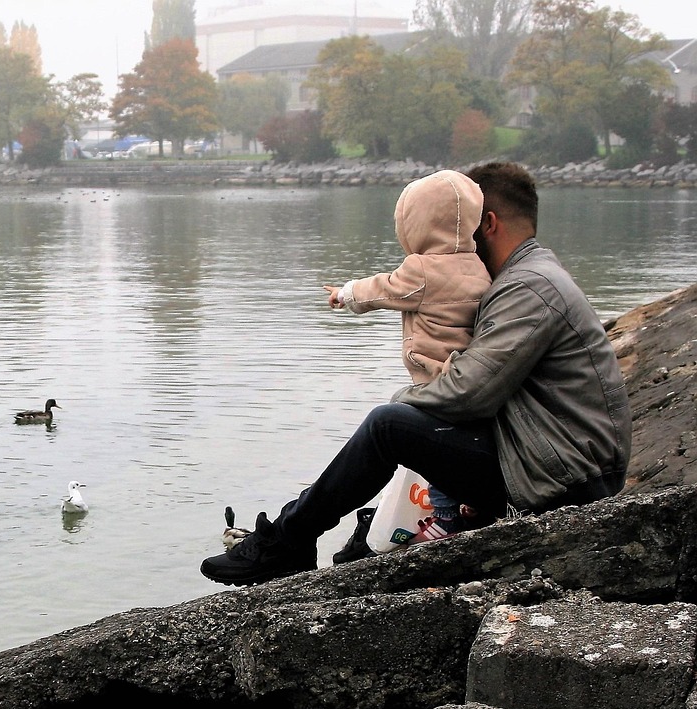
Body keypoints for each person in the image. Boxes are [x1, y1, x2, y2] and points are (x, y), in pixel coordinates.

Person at [201, 161, 632, 587]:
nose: (457, 246)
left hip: (569, 479)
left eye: (463, 232)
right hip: (557, 463)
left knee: (389, 425)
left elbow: (469, 393)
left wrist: (402, 403)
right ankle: (336, 535)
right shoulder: (523, 279)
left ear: (488, 223)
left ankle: (288, 540)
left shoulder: (529, 286)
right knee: (408, 425)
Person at [323, 169, 493, 545]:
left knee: (426, 449)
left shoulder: (422, 269)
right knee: (449, 446)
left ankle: (445, 520)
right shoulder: (479, 266)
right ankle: (468, 504)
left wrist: (345, 293)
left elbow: (384, 289)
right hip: (467, 375)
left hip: (435, 378)